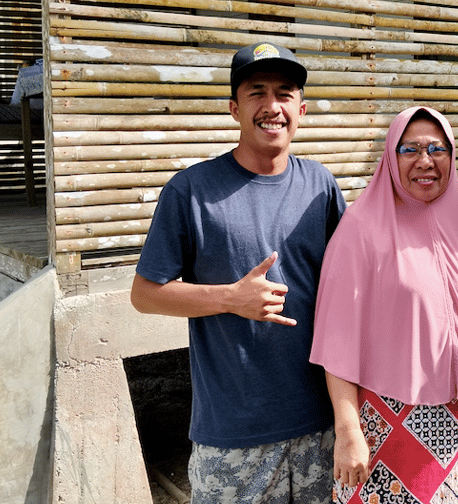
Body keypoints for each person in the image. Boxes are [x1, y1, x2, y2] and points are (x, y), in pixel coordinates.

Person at [130, 41, 347, 503]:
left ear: (301, 109)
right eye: (257, 92)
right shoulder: (191, 191)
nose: (272, 107)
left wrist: (454, 203)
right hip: (233, 437)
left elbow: (356, 272)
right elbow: (145, 294)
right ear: (234, 107)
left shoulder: (320, 186)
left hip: (319, 428)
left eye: (285, 93)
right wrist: (231, 298)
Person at [310, 106, 458, 504]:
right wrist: (348, 430)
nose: (425, 161)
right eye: (409, 150)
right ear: (390, 159)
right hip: (389, 422)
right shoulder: (360, 228)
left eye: (437, 149)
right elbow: (336, 341)